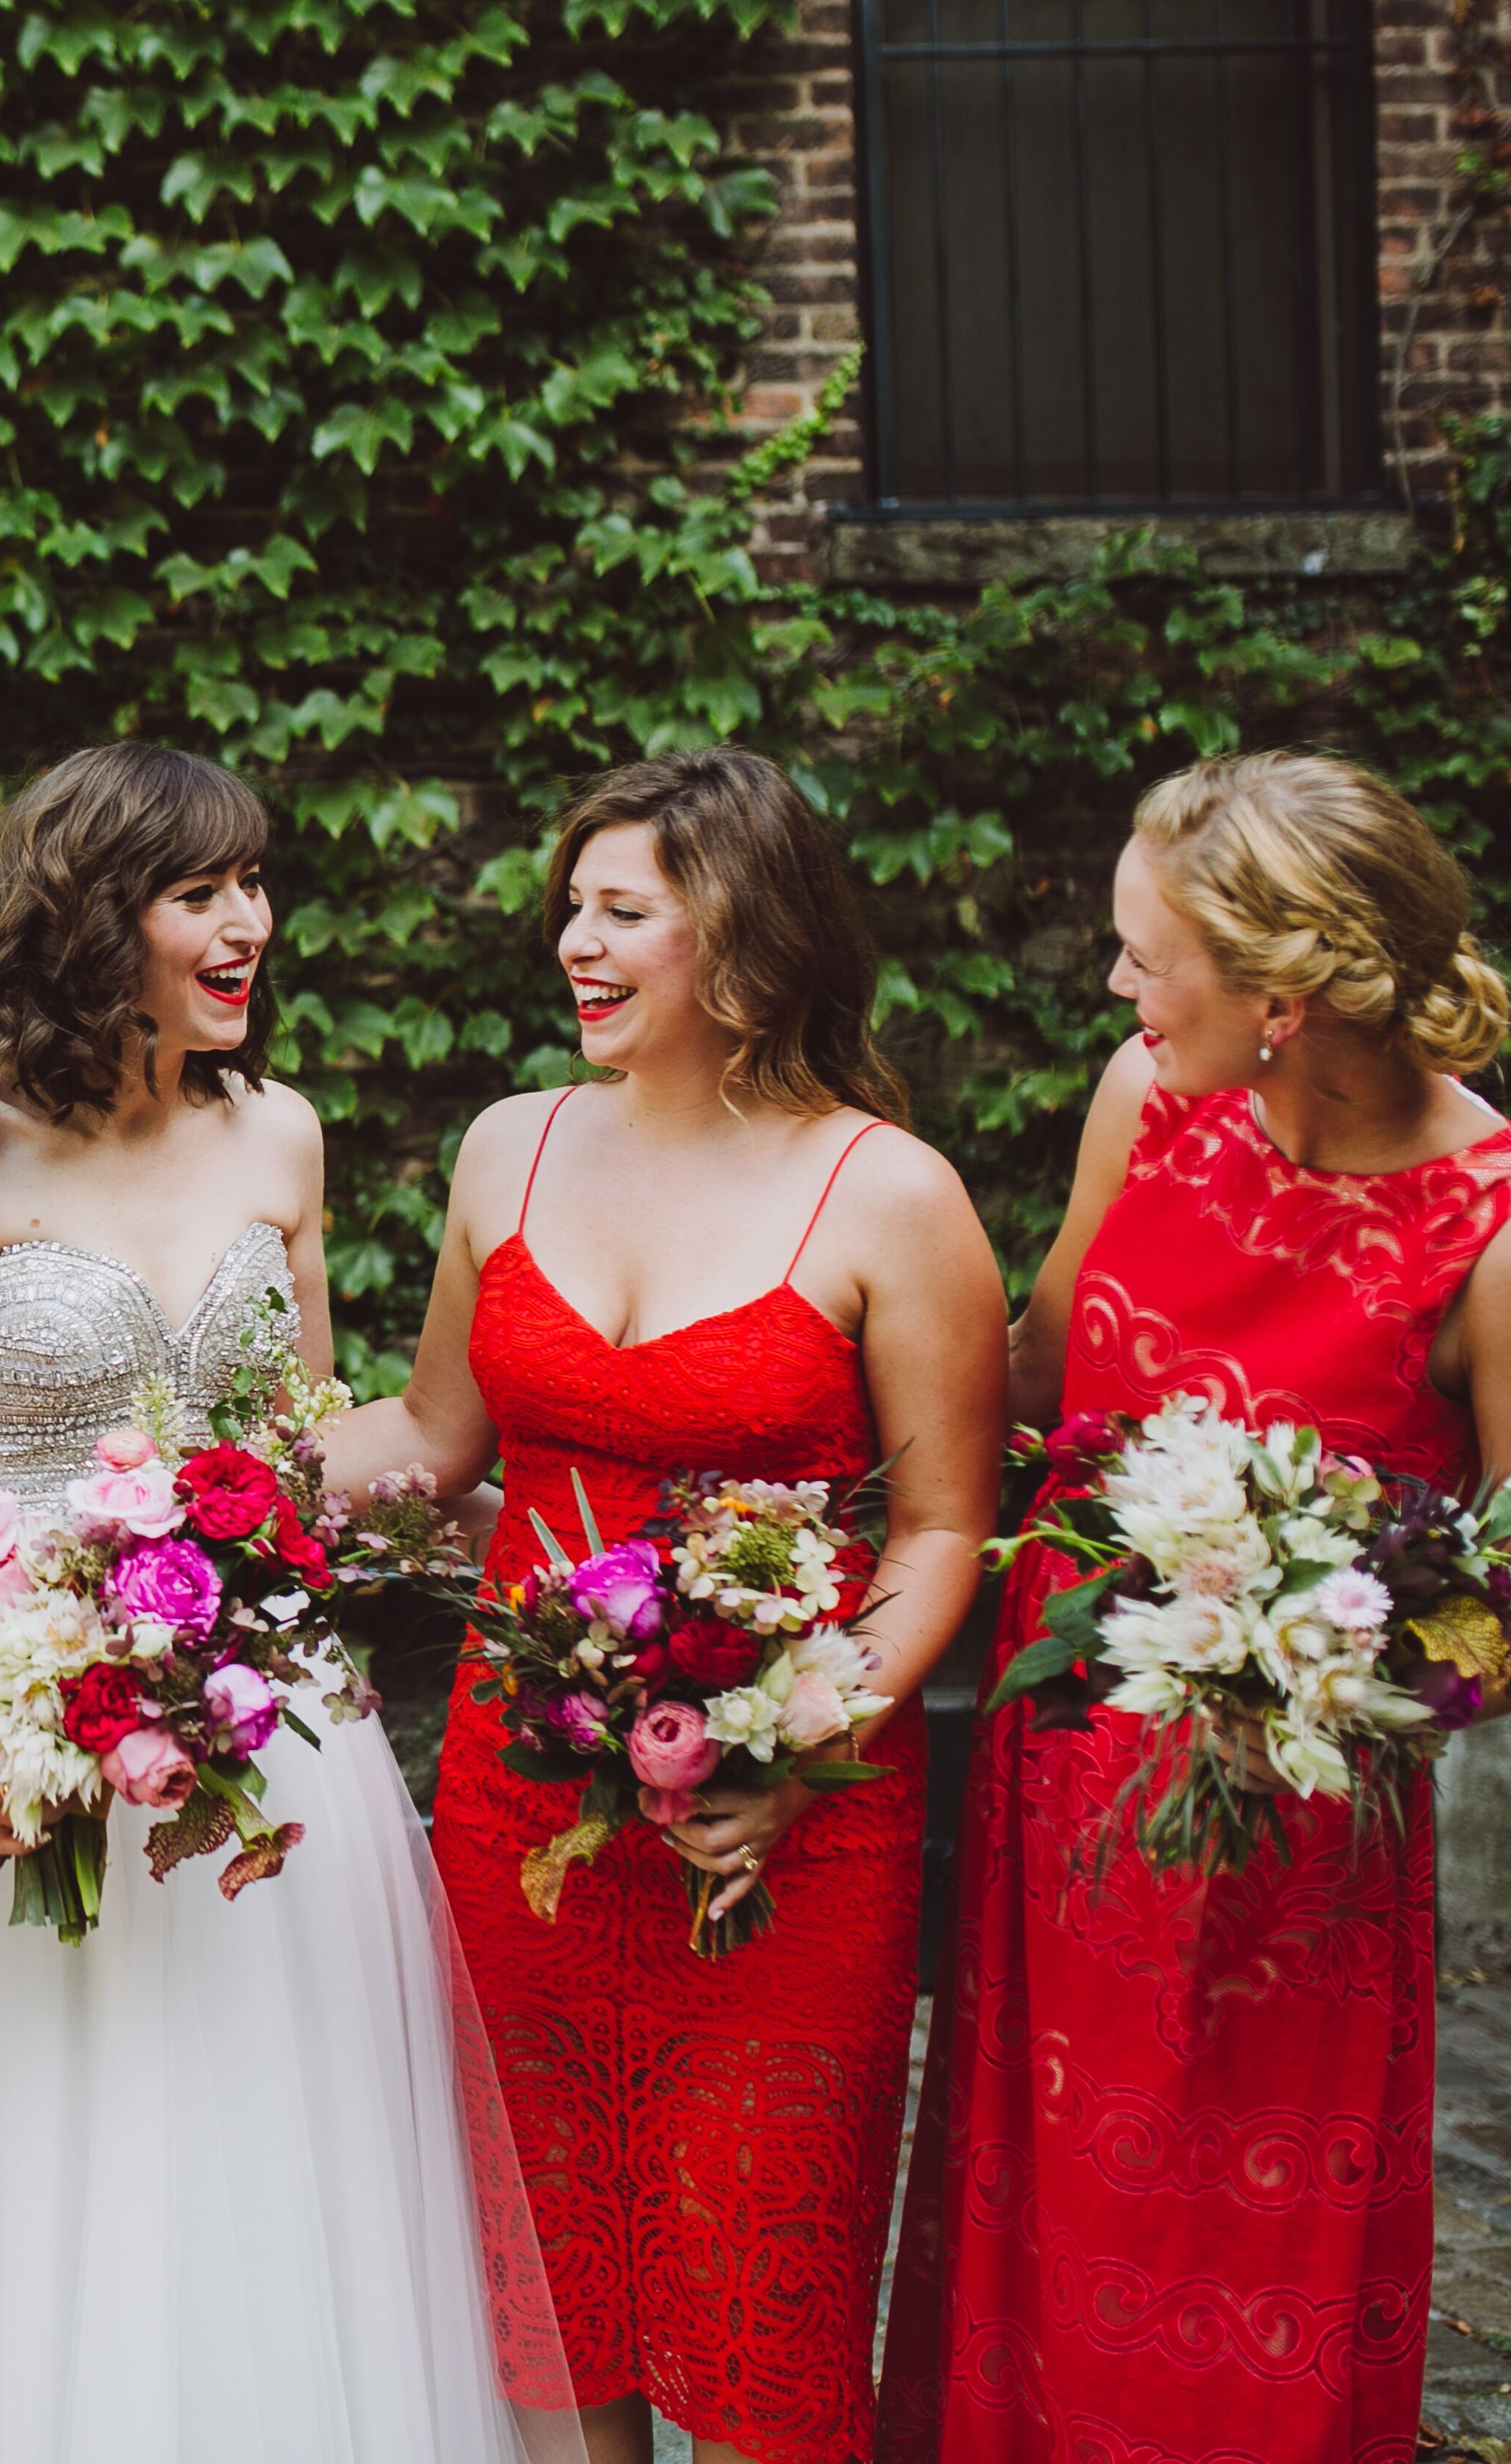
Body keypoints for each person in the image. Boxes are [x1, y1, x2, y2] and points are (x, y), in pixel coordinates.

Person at [0, 741, 580, 2464]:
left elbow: (291, 1446)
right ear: (93, 916)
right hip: (8, 1742)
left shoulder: (276, 1129)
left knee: (265, 2153)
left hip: (265, 1728)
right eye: (200, 890)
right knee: (42, 2170)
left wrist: (500, 1492)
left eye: (253, 884)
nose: (250, 924)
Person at [877, 750, 1511, 2464]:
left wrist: (1294, 1668)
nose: (1118, 988)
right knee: (1038, 2208)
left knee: (1234, 2249)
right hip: (1054, 1777)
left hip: (1281, 1837)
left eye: (1148, 956)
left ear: (1280, 996)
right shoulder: (1143, 1100)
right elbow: (1041, 1377)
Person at [323, 747, 1007, 2464]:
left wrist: (806, 1729)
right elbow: (427, 1436)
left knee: (765, 2306)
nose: (575, 939)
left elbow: (939, 1532)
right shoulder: (509, 1148)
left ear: (750, 938)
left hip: (785, 1829)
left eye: (623, 910)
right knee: (545, 2297)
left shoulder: (888, 1192)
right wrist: (151, 1485)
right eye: (572, 904)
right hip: (519, 1802)